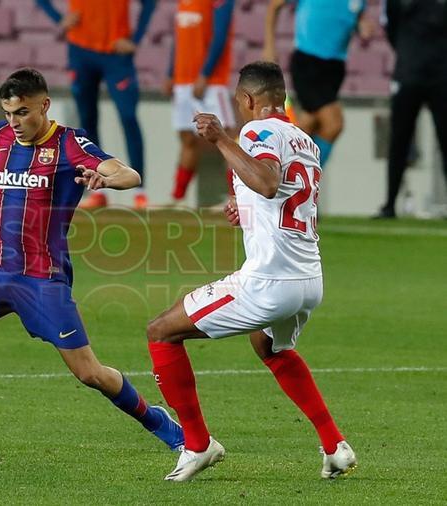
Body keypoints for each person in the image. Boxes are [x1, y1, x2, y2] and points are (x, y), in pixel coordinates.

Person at [0, 68, 184, 454]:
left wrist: (107, 179)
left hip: (40, 277)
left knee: (89, 373)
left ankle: (157, 420)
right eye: (8, 113)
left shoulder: (71, 144)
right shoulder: (0, 137)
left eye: (22, 112)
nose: (14, 122)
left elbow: (128, 174)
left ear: (45, 105)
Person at [146, 62, 356, 482]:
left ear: (247, 100)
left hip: (269, 281)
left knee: (161, 331)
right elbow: (277, 194)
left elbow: (266, 181)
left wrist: (222, 137)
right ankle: (335, 446)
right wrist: (244, 207)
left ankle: (198, 444)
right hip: (308, 279)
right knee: (270, 347)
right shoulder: (304, 139)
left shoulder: (254, 131)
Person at [35, 0, 155, 209]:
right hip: (81, 50)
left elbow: (150, 3)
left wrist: (135, 39)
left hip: (117, 53)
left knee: (128, 117)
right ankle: (96, 189)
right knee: (87, 120)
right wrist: (59, 19)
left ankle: (139, 191)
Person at [263, 0, 374, 167]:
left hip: (335, 67)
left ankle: (272, 167)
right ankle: (301, 180)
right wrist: (269, 46)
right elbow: (275, 6)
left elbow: (358, 16)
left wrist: (363, 26)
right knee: (334, 123)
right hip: (308, 62)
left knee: (309, 124)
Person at [375, 0, 447, 219]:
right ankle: (389, 204)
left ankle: (389, 205)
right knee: (399, 141)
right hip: (409, 72)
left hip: (440, 74)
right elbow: (390, 28)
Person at [164, 0, 238, 205]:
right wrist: (171, 72)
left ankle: (236, 197)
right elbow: (179, 38)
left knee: (228, 138)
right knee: (187, 139)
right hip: (183, 80)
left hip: (211, 82)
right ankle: (178, 199)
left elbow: (220, 35)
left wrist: (205, 74)